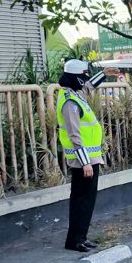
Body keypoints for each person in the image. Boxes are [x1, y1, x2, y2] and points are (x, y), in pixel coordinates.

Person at [56, 60, 109, 252]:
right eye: (83, 77)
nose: (85, 81)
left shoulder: (76, 95)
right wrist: (85, 162)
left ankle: (82, 237)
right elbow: (74, 135)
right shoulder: (69, 102)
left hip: (90, 159)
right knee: (81, 201)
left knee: (88, 201)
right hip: (82, 162)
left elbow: (88, 87)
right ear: (75, 78)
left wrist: (104, 73)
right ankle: (74, 240)